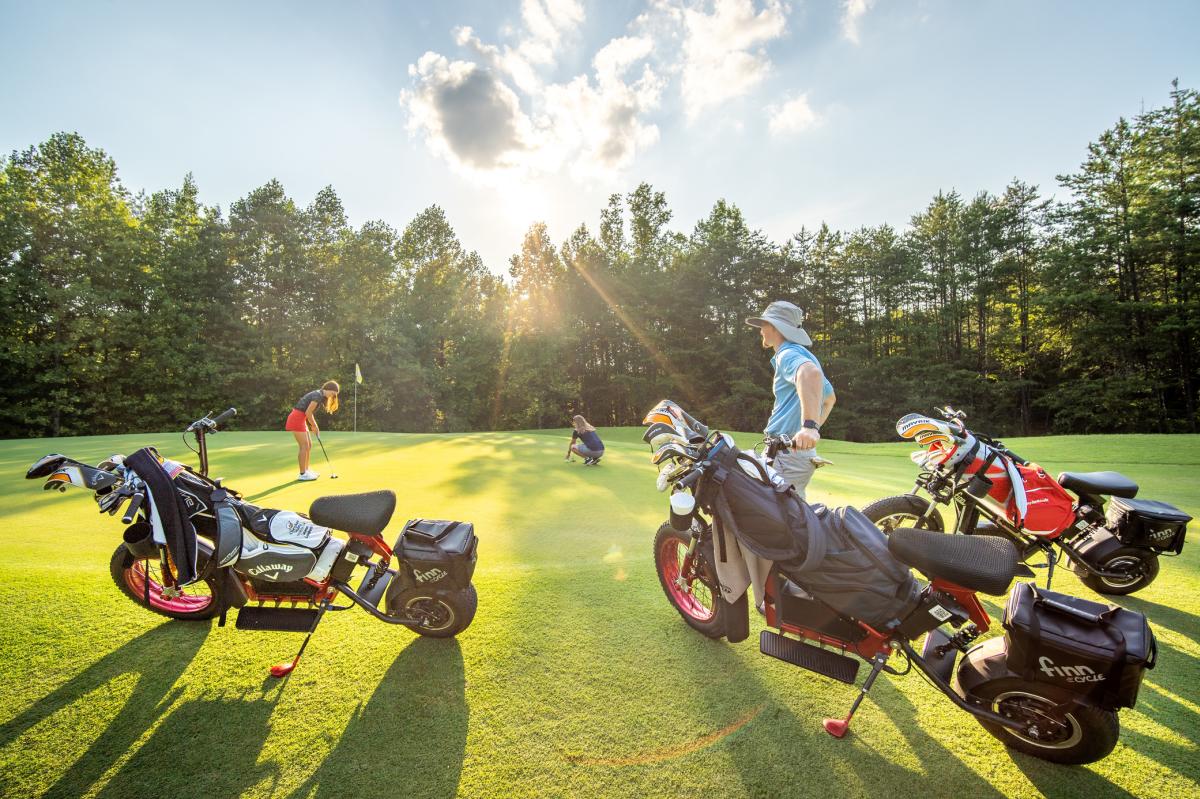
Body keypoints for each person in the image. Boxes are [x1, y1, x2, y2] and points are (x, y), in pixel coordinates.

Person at [745, 301, 836, 500]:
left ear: (775, 327)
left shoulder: (787, 354)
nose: (761, 331)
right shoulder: (801, 353)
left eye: (764, 325)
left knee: (777, 523)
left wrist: (809, 427)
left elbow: (809, 373)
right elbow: (829, 398)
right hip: (792, 454)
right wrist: (809, 432)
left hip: (786, 456)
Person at [285, 381, 340, 481]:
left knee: (308, 445)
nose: (332, 396)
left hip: (301, 419)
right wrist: (314, 425)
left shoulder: (320, 395)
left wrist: (314, 426)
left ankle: (306, 470)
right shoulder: (317, 395)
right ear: (327, 389)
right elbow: (308, 412)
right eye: (332, 393)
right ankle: (302, 474)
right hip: (297, 418)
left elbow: (308, 413)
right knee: (304, 446)